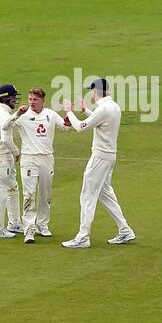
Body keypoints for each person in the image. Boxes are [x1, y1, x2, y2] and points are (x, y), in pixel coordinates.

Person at [61, 77, 136, 247]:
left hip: (100, 157)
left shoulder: (104, 109)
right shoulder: (113, 106)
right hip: (109, 157)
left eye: (92, 91)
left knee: (87, 194)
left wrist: (68, 112)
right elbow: (99, 121)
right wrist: (85, 110)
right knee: (105, 193)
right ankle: (125, 230)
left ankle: (83, 237)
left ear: (96, 92)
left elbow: (80, 127)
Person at [5, 87, 68, 243]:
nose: (32, 102)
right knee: (29, 194)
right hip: (29, 159)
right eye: (30, 99)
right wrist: (18, 113)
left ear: (42, 101)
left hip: (47, 158)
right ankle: (29, 229)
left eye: (35, 99)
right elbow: (6, 126)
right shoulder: (23, 115)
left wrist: (69, 116)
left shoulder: (51, 115)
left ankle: (43, 225)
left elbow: (65, 127)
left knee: (46, 195)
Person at [0, 84, 23, 238]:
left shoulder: (0, 111)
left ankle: (14, 223)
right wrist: (17, 152)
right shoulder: (3, 114)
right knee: (0, 190)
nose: (15, 99)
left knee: (11, 187)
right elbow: (5, 137)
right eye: (13, 97)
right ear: (5, 97)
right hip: (0, 157)